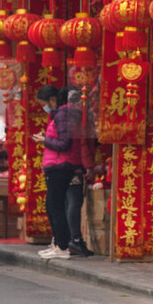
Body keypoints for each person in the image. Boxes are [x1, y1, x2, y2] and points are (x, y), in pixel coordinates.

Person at [34, 85, 88, 259]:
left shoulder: (63, 114)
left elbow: (65, 143)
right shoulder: (62, 114)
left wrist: (45, 140)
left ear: (52, 100)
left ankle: (62, 246)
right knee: (53, 205)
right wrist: (47, 137)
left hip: (60, 164)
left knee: (55, 206)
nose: (45, 107)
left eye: (44, 103)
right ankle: (58, 244)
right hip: (58, 164)